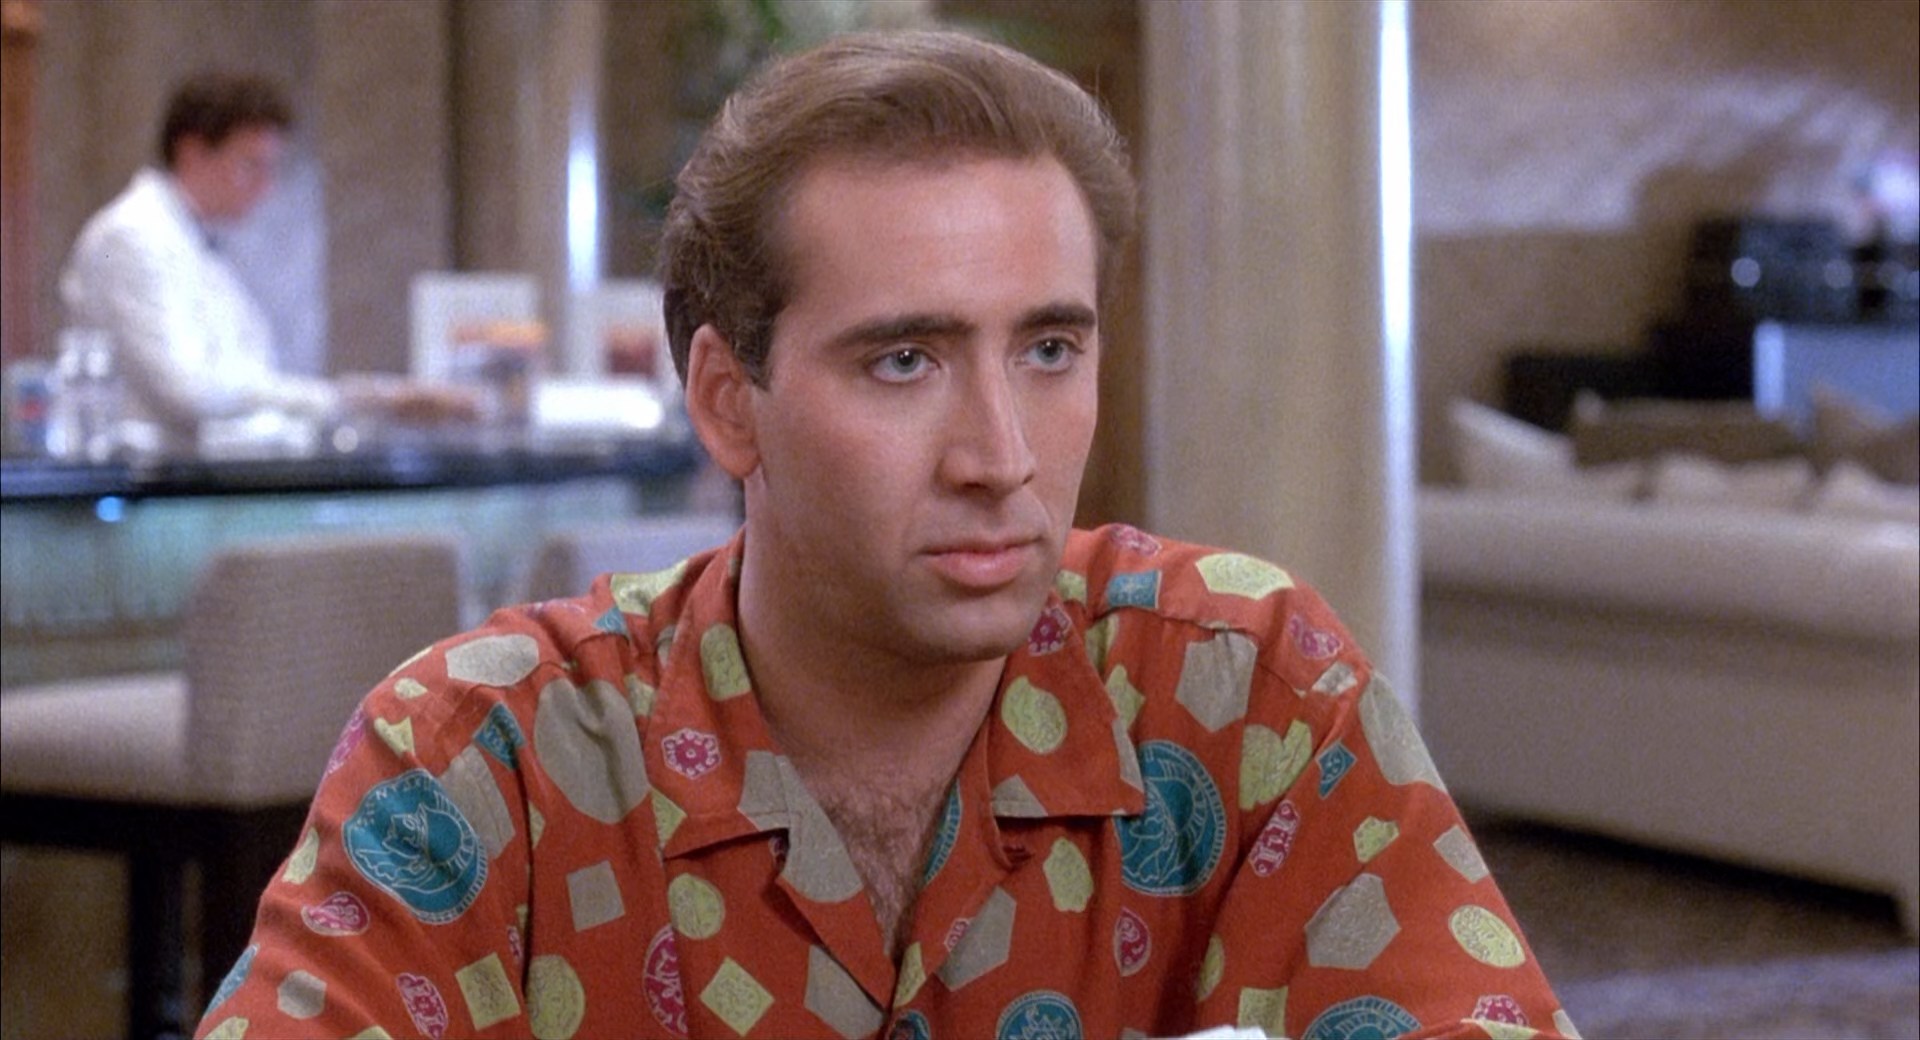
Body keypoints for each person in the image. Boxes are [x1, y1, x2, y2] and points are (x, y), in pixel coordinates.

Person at [195, 32, 1573, 1040]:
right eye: (905, 361)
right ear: (728, 402)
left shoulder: (1241, 690)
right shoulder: (486, 760)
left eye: (1048, 349)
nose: (1002, 457)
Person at [60, 71, 466, 457]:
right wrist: (353, 399)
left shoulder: (196, 241)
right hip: (148, 485)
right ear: (193, 152)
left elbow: (243, 377)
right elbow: (188, 391)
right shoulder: (130, 236)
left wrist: (361, 402)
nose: (266, 187)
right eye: (251, 165)